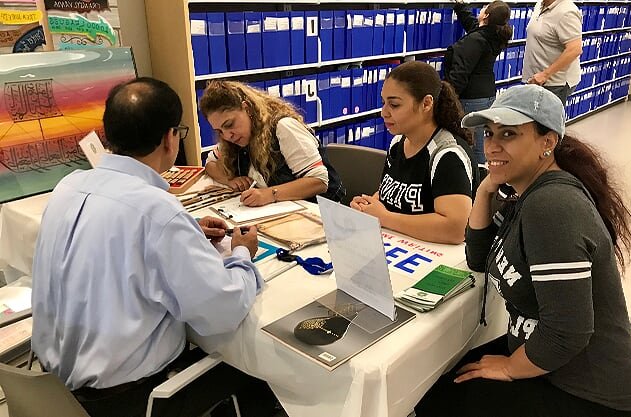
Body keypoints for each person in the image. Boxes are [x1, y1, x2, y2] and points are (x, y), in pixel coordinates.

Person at [31, 77, 277, 417]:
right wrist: (242, 254)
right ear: (169, 138)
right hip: (127, 400)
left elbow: (113, 242)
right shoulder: (157, 211)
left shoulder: (69, 187)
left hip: (50, 390)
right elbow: (222, 310)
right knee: (258, 372)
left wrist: (186, 232)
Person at [415, 84, 631, 417]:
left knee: (439, 401)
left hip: (587, 391)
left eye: (508, 134)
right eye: (489, 133)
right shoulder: (525, 194)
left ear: (547, 142)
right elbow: (480, 258)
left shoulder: (552, 206)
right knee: (438, 383)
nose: (492, 146)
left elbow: (568, 332)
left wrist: (509, 367)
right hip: (547, 359)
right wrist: (485, 190)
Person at [350, 61, 479, 244]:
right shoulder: (398, 143)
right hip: (398, 244)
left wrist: (385, 217)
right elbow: (392, 195)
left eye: (394, 105)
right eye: (383, 103)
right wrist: (368, 205)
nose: (384, 113)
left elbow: (456, 229)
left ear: (426, 104)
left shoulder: (448, 155)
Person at [200, 80, 345, 206]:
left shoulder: (283, 127)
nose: (227, 135)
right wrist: (230, 180)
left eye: (229, 124)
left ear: (247, 108)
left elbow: (319, 181)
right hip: (280, 212)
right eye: (219, 131)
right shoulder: (235, 139)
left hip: (319, 213)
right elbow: (210, 165)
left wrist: (269, 194)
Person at [444, 0, 512, 164]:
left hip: (472, 98)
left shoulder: (475, 40)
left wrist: (447, 97)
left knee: (473, 145)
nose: (481, 9)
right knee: (482, 139)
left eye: (484, 8)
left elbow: (460, 73)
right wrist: (461, 6)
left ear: (486, 15)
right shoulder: (493, 34)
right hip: (487, 95)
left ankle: (478, 176)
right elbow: (475, 27)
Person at [522, 0, 583, 105]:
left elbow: (574, 49)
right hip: (535, 81)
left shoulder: (567, 12)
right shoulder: (540, 5)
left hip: (554, 84)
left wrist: (545, 75)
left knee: (548, 115)